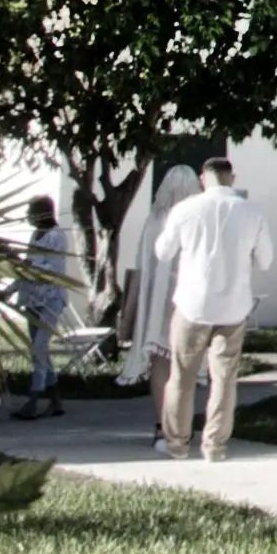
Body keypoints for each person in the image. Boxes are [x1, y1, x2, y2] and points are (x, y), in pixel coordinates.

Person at [146, 153, 274, 461]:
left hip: (192, 303)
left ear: (203, 179)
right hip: (233, 305)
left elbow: (163, 252)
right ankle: (215, 445)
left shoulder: (186, 209)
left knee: (181, 377)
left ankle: (177, 443)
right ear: (233, 178)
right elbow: (265, 261)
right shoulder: (252, 213)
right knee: (224, 378)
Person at [118, 158, 201, 426]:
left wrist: (132, 307)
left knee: (159, 364)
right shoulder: (198, 220)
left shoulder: (153, 221)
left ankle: (163, 422)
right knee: (184, 364)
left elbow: (142, 266)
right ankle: (180, 423)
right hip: (187, 299)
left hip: (155, 301)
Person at [6, 195, 78, 422]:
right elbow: (26, 270)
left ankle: (33, 400)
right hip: (31, 298)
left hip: (50, 299)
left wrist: (25, 263)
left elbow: (51, 269)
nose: (28, 216)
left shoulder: (57, 237)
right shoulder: (34, 235)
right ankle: (56, 402)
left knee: (39, 348)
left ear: (44, 213)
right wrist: (7, 291)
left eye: (32, 211)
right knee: (40, 351)